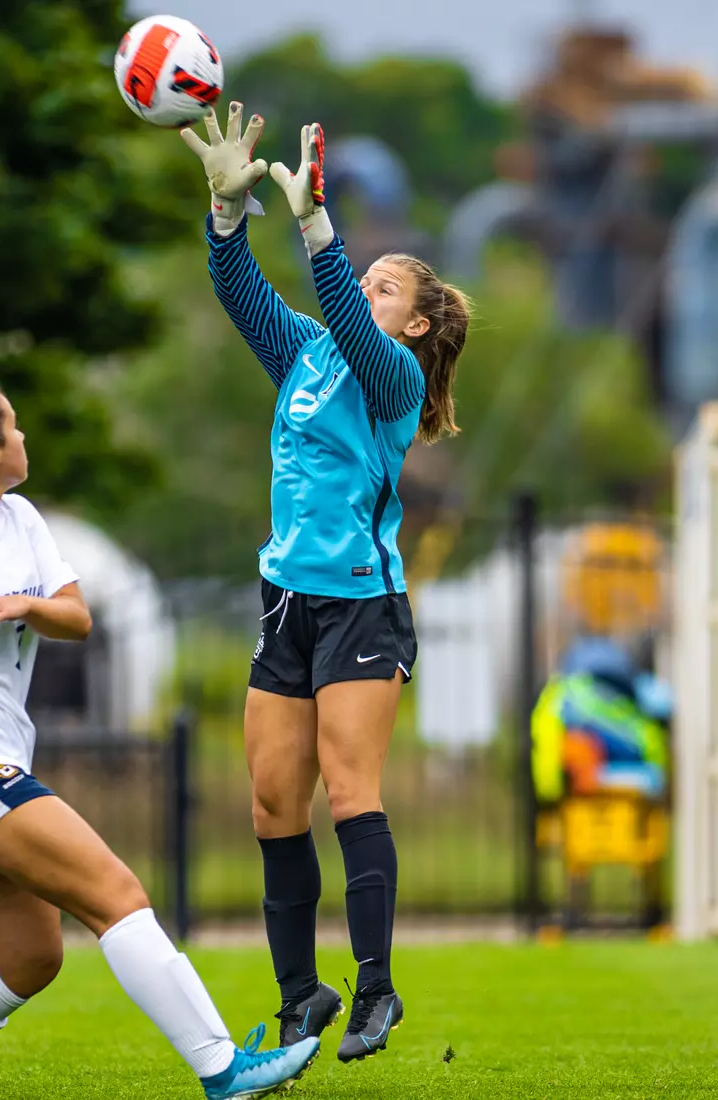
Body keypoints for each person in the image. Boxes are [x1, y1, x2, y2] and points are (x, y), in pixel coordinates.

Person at [0, 379, 319, 1100]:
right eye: (16, 430)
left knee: (29, 958)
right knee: (115, 891)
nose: (26, 440)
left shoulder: (21, 517)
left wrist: (24, 603)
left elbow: (77, 618)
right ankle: (223, 1068)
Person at [180, 105, 472, 1061]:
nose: (366, 289)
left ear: (415, 323)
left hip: (361, 603)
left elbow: (343, 311)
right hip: (287, 602)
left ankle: (376, 991)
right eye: (366, 279)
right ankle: (301, 993)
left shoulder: (389, 376)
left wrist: (316, 229)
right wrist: (228, 215)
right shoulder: (304, 354)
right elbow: (243, 295)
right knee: (272, 804)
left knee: (351, 792)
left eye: (386, 286)